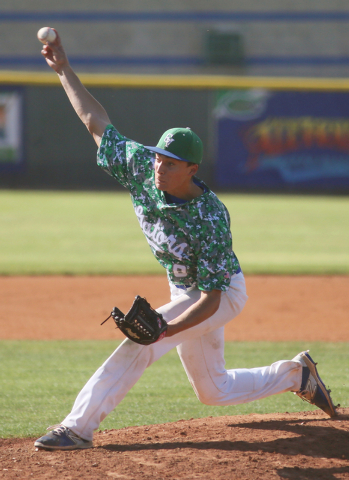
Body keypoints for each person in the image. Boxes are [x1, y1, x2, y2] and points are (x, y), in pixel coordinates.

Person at [34, 30, 337, 451]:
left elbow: (210, 301)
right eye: (159, 156)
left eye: (171, 162)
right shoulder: (143, 166)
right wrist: (64, 68)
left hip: (220, 292)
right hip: (184, 288)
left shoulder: (209, 216)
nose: (160, 165)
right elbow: (94, 122)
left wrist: (166, 328)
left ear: (192, 168)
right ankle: (296, 375)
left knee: (139, 345)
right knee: (213, 390)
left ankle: (77, 427)